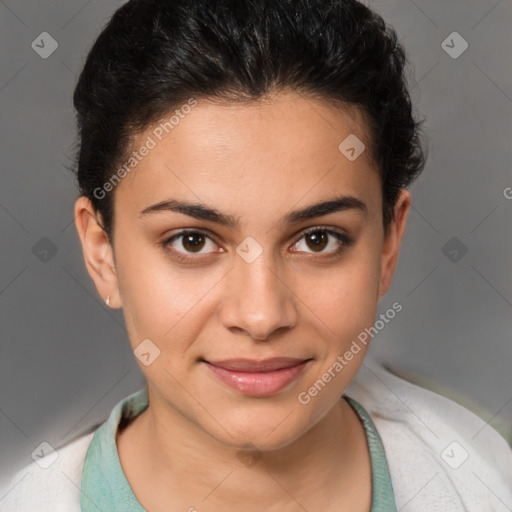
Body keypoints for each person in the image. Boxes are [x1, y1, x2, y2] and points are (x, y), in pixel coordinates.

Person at [1, 0, 511, 510]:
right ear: (102, 254)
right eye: (192, 241)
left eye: (318, 239)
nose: (261, 316)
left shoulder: (487, 481)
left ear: (388, 244)